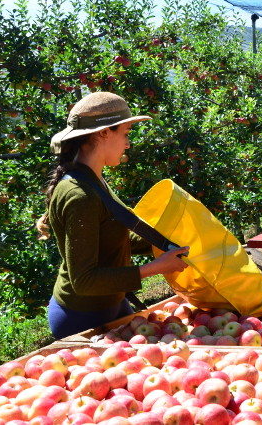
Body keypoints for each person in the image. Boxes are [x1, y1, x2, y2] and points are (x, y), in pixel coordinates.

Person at [36, 92, 189, 339]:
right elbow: (84, 280)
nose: (128, 144)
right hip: (81, 316)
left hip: (113, 302)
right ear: (104, 132)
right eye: (126, 133)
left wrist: (171, 241)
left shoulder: (94, 179)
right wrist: (155, 268)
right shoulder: (79, 194)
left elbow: (113, 240)